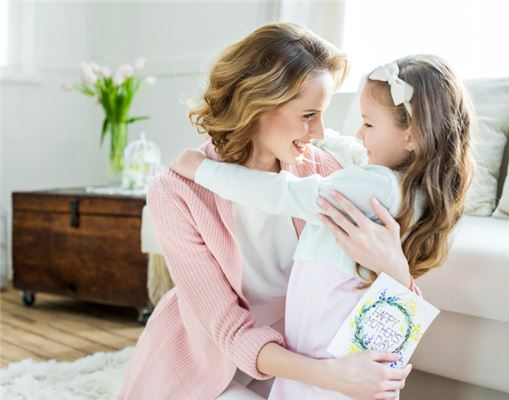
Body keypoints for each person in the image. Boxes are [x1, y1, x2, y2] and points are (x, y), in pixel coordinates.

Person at [118, 23, 415, 400]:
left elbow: (386, 295)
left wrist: (396, 269)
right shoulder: (177, 192)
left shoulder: (323, 173)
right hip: (209, 367)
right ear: (257, 105)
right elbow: (229, 332)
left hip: (299, 361)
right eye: (309, 115)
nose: (319, 132)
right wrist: (333, 376)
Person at [171, 54, 475, 399]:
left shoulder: (374, 185)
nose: (359, 133)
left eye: (368, 124)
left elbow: (284, 193)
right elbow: (354, 150)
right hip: (337, 331)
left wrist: (203, 171)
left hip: (324, 333)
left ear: (412, 136)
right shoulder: (407, 186)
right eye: (309, 116)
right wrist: (321, 138)